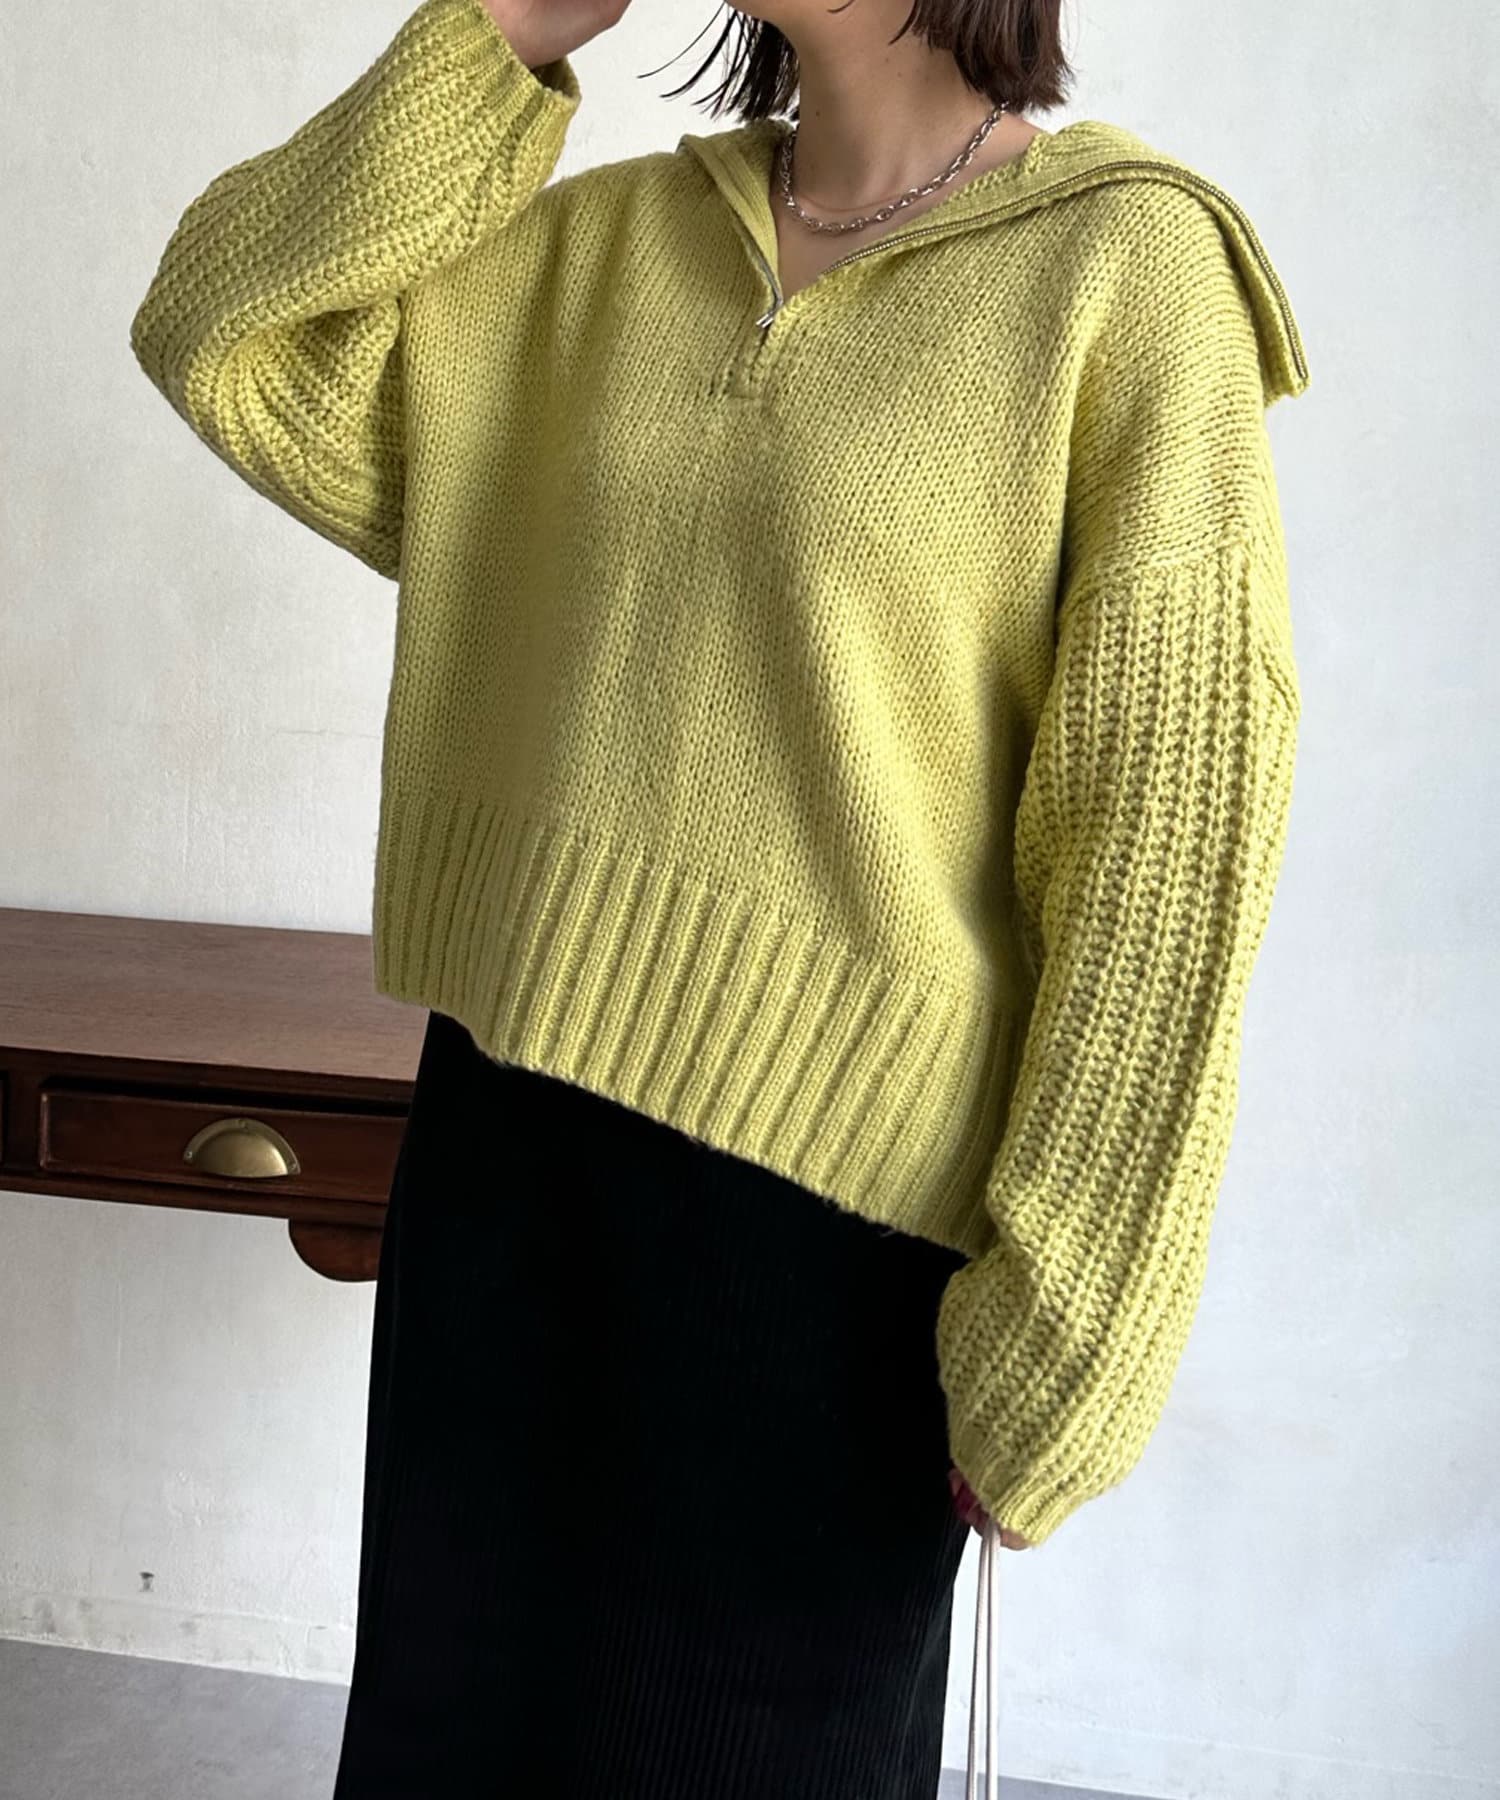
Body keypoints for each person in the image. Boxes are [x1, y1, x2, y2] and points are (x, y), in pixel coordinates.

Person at [128, 0, 1309, 1790]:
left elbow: (1166, 838)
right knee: (441, 1749)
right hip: (505, 1141)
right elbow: (222, 329)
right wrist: (502, 31)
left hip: (826, 1245)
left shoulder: (1126, 274)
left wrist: (1071, 1333)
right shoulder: (603, 248)